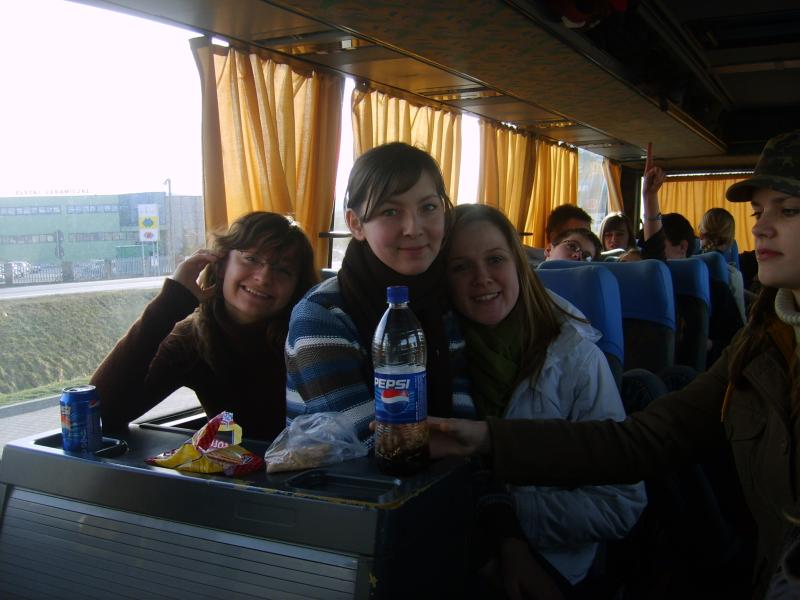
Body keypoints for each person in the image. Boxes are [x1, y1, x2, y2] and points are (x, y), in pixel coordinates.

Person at [426, 129, 800, 599]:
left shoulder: (571, 353)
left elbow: (623, 493)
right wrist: (487, 442)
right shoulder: (761, 343)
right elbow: (641, 440)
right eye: (759, 213)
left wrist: (502, 520)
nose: (761, 229)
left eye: (788, 210)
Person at [446, 203, 646, 593]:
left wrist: (506, 520)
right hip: (456, 561)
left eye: (495, 260)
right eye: (461, 267)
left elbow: (622, 501)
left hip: (555, 566)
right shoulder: (437, 356)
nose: (482, 278)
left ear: (519, 265)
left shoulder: (575, 357)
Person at [285, 142, 474, 446]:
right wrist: (474, 443)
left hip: (444, 472)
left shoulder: (444, 302)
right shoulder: (321, 316)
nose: (413, 228)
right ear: (356, 224)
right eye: (390, 211)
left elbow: (463, 416)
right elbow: (375, 443)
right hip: (344, 475)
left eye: (428, 207)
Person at [92, 212, 318, 441]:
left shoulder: (312, 337)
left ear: (296, 286)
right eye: (251, 259)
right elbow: (99, 416)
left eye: (282, 269)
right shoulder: (194, 338)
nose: (264, 277)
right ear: (220, 264)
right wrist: (169, 304)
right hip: (234, 463)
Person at [699, 207, 747, 322]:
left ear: (701, 235)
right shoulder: (733, 275)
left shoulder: (687, 267)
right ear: (730, 241)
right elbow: (740, 323)